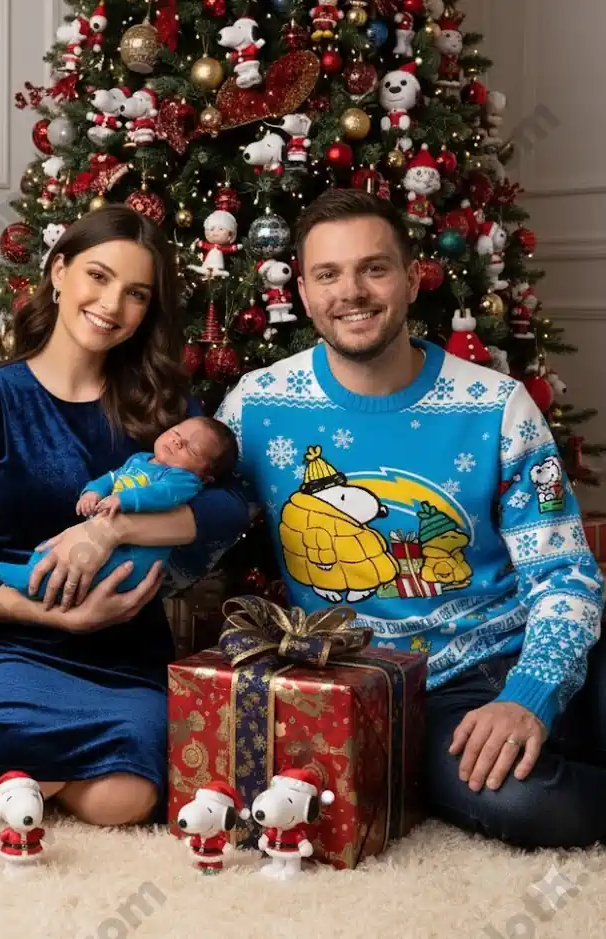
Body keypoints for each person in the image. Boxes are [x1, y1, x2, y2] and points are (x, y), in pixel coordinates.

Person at [215, 188, 606, 849]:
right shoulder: (259, 405)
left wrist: (532, 690)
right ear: (304, 294)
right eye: (328, 274)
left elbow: (566, 574)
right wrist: (112, 523)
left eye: (374, 267)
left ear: (412, 274)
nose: (352, 292)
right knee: (530, 806)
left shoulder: (497, 405)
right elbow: (198, 523)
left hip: (524, 644)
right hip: (411, 693)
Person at [0, 204, 251, 826]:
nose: (113, 305)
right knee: (28, 739)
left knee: (129, 798)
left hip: (126, 649)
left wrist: (107, 528)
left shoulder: (164, 406)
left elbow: (233, 507)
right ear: (59, 271)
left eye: (137, 293)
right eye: (99, 276)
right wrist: (54, 614)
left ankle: (10, 778)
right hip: (12, 644)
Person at [0, 414, 239, 598]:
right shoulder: (140, 460)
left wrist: (124, 500)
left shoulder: (184, 479)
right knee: (55, 550)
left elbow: (163, 494)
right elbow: (112, 478)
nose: (177, 442)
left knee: (93, 569)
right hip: (108, 535)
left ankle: (32, 583)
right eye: (176, 432)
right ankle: (31, 572)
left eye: (192, 448)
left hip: (137, 551)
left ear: (205, 478)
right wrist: (93, 491)